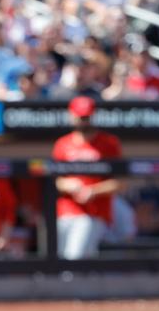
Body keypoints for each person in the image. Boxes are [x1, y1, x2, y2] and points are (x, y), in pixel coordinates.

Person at [52, 95, 122, 259]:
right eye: (80, 117)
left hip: (93, 212)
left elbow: (120, 181)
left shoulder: (108, 143)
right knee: (62, 259)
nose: (84, 120)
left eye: (87, 116)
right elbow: (55, 180)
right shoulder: (62, 144)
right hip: (65, 210)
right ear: (71, 115)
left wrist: (93, 191)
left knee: (74, 257)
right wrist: (67, 184)